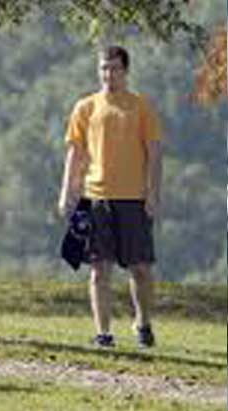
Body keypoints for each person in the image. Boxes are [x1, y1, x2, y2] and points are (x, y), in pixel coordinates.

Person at [58, 45, 163, 349]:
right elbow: (75, 153)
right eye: (104, 68)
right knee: (98, 269)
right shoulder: (85, 107)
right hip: (95, 198)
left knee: (140, 268)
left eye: (115, 68)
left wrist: (153, 193)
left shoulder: (141, 106)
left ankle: (143, 324)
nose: (109, 74)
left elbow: (155, 153)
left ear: (126, 71)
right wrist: (67, 191)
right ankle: (103, 333)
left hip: (133, 199)